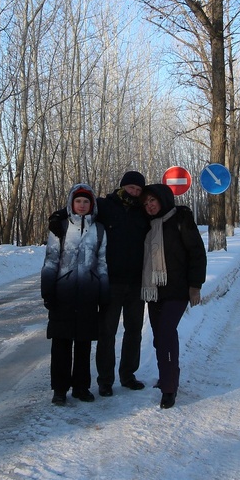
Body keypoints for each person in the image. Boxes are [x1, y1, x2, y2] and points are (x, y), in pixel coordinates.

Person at [139, 183, 207, 409]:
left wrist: (195, 285)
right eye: (146, 202)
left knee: (167, 334)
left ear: (163, 200)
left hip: (177, 290)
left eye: (153, 201)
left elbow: (197, 252)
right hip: (155, 290)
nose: (149, 206)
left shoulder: (181, 219)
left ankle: (169, 388)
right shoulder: (148, 225)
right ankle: (167, 376)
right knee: (159, 338)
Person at [40, 184, 109, 405]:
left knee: (83, 343)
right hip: (63, 294)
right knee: (61, 344)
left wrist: (104, 293)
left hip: (89, 294)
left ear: (91, 205)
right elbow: (51, 260)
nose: (81, 205)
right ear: (71, 203)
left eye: (86, 201)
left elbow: (103, 264)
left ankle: (81, 387)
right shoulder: (59, 227)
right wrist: (48, 290)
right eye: (78, 201)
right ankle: (59, 389)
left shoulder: (99, 230)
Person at [94, 170, 150, 396]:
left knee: (134, 330)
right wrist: (59, 217)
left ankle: (128, 375)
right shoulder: (105, 206)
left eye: (138, 190)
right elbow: (80, 210)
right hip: (111, 282)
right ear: (122, 186)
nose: (134, 192)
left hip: (136, 282)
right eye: (131, 188)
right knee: (107, 332)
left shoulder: (143, 212)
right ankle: (105, 380)